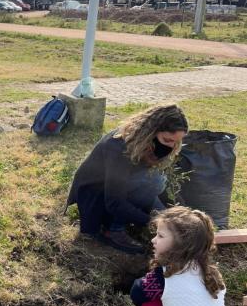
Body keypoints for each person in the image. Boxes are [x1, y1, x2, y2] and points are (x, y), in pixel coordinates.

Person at [66, 104, 188, 254]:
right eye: (167, 140)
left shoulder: (144, 144)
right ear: (151, 131)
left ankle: (130, 220)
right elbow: (114, 202)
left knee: (158, 181)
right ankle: (112, 230)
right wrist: (154, 221)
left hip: (118, 189)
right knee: (154, 182)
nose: (172, 146)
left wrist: (174, 211)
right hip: (95, 198)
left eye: (176, 142)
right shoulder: (119, 148)